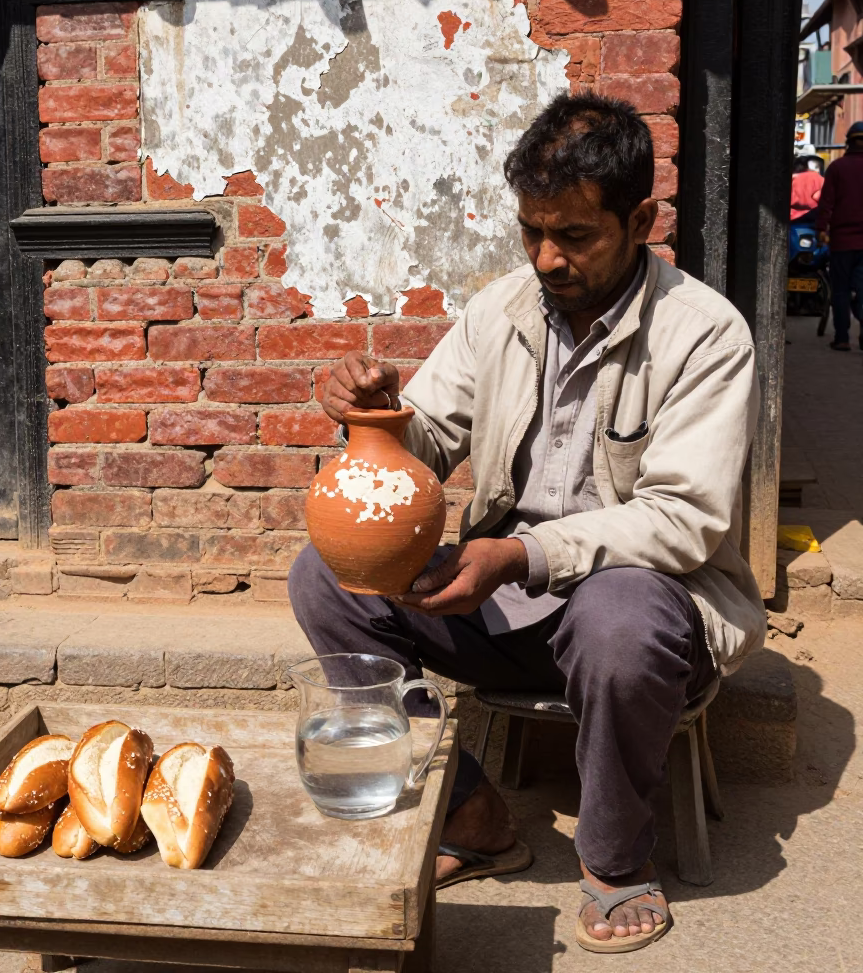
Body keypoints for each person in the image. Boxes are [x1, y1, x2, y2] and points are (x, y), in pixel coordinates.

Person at [288, 92, 765, 954]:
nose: (547, 258)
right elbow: (429, 437)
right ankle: (469, 809)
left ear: (641, 220)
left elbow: (684, 520)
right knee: (325, 575)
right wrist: (375, 421)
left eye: (575, 237)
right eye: (530, 232)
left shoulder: (705, 335)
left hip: (643, 616)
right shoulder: (501, 311)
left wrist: (521, 554)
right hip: (503, 597)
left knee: (618, 616)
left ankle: (616, 864)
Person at [816, 120, 863, 350]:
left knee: (841, 290)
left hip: (842, 242)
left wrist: (820, 230)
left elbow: (826, 204)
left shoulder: (837, 168)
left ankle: (842, 338)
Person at [790, 155, 824, 221]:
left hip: (792, 218)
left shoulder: (792, 178)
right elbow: (818, 197)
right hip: (813, 218)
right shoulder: (820, 179)